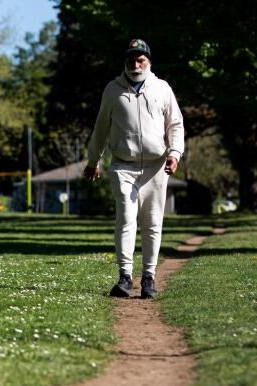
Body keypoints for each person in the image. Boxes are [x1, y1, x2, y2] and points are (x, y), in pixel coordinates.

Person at [84, 38, 184, 299]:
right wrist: (93, 161)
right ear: (125, 62)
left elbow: (175, 124)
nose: (135, 64)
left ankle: (149, 278)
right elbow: (101, 129)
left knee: (152, 224)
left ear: (149, 62)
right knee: (126, 220)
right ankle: (125, 276)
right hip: (123, 167)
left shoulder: (162, 88)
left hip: (156, 168)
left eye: (141, 60)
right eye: (131, 60)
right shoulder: (112, 90)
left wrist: (174, 153)